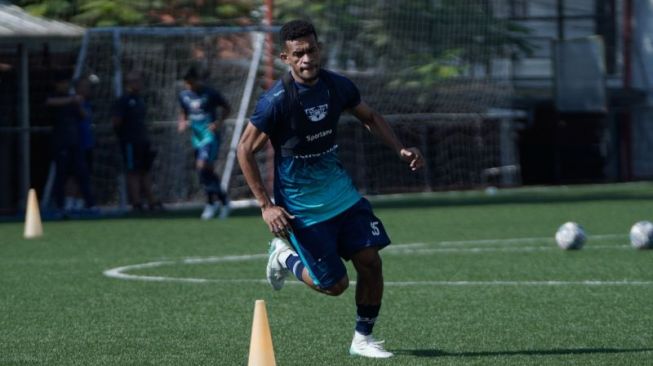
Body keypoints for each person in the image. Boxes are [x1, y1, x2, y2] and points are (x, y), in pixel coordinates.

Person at [237, 20, 424, 359]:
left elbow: (369, 116)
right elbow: (244, 149)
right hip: (303, 208)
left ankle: (362, 339)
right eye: (298, 54)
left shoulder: (338, 86)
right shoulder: (276, 101)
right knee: (334, 286)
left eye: (311, 50)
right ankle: (283, 255)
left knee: (370, 261)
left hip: (342, 195)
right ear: (286, 58)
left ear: (319, 49)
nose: (307, 58)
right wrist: (266, 206)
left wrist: (400, 148)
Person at [178, 66, 232, 220]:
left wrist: (218, 123)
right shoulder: (184, 95)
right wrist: (182, 122)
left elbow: (227, 108)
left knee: (202, 167)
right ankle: (221, 201)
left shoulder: (210, 93)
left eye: (191, 82)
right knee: (205, 171)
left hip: (210, 136)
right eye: (186, 83)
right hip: (196, 137)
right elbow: (183, 111)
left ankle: (212, 203)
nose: (189, 86)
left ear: (196, 80)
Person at [46, 72, 96, 212]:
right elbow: (49, 102)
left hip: (75, 143)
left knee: (82, 173)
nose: (66, 85)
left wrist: (78, 104)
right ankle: (61, 204)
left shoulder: (74, 100)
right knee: (62, 174)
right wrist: (71, 100)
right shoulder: (56, 97)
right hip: (60, 142)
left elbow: (84, 116)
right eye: (63, 83)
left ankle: (88, 204)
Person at [112, 71, 161, 212]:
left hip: (142, 140)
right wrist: (124, 135)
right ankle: (136, 203)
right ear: (129, 83)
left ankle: (152, 201)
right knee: (133, 171)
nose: (139, 84)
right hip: (130, 141)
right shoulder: (123, 100)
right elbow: (116, 121)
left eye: (140, 81)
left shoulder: (140, 99)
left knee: (145, 170)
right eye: (136, 81)